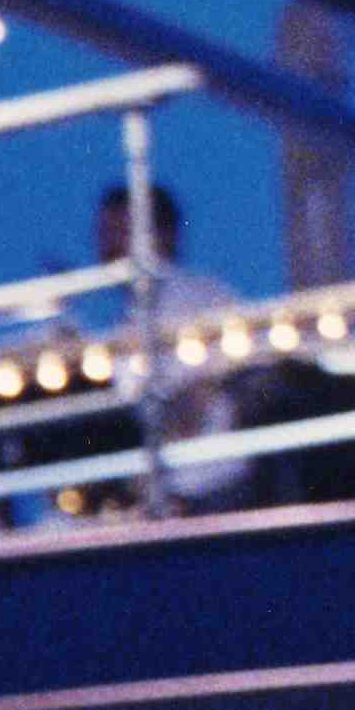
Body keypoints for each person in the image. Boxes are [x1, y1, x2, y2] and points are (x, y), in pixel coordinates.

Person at [75, 177, 253, 512]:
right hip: (164, 495)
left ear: (162, 234)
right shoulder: (128, 321)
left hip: (210, 488)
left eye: (120, 231)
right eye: (104, 233)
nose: (107, 246)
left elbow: (197, 401)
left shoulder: (200, 299)